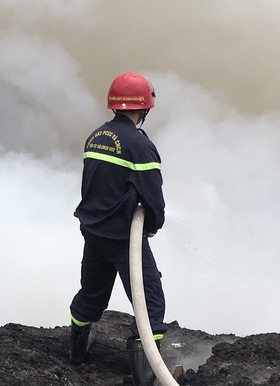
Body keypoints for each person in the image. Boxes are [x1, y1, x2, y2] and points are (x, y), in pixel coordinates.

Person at [68, 71, 168, 384]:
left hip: (93, 231)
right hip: (124, 238)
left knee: (92, 295)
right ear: (146, 106)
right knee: (150, 304)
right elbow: (153, 198)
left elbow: (95, 185)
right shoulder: (140, 147)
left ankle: (77, 353)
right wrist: (153, 225)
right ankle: (145, 376)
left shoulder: (96, 136)